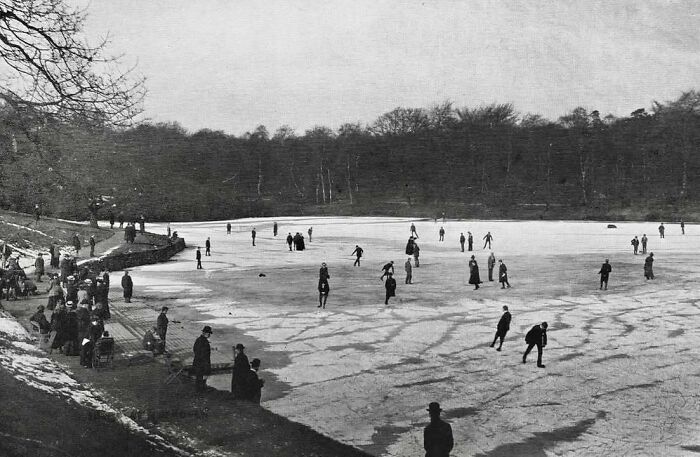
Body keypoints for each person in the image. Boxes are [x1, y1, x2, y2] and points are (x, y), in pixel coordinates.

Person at [193, 326, 212, 392]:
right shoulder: (205, 342)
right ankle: (201, 390)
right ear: (204, 333)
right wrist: (206, 364)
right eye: (208, 333)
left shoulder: (198, 339)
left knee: (199, 377)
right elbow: (205, 355)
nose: (209, 335)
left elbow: (194, 349)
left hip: (197, 362)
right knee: (202, 377)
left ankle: (199, 389)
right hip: (202, 363)